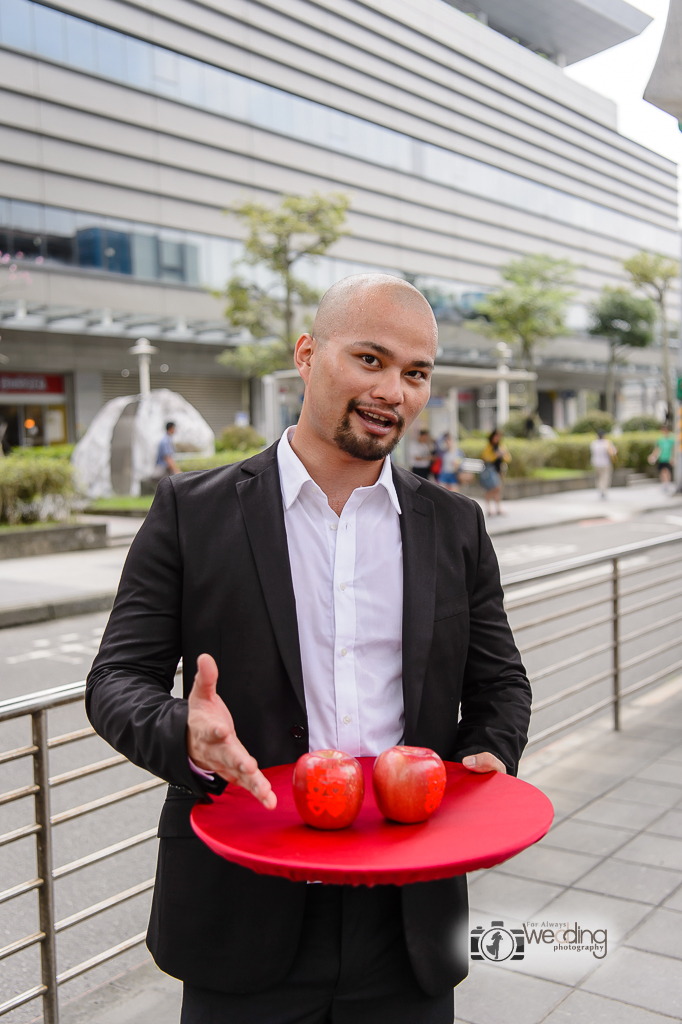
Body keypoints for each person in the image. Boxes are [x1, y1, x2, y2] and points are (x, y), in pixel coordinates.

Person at [86, 274, 531, 1024]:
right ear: (307, 353)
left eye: (415, 372)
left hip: (409, 920)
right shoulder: (190, 514)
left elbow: (500, 684)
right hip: (242, 913)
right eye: (369, 359)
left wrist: (487, 752)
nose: (393, 389)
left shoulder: (454, 525)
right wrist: (187, 737)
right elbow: (115, 680)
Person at [480, 429, 511, 516]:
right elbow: (485, 458)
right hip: (490, 472)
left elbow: (508, 458)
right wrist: (495, 455)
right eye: (496, 436)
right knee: (493, 488)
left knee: (498, 490)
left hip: (499, 471)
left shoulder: (501, 446)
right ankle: (489, 508)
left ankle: (498, 508)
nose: (497, 438)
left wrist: (503, 455)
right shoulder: (489, 447)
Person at [590, 429, 617, 500]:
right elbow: (612, 452)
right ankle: (603, 490)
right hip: (605, 463)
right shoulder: (607, 443)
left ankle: (600, 489)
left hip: (596, 463)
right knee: (605, 478)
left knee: (598, 478)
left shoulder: (594, 443)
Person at [648, 423, 675, 493]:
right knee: (662, 471)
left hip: (668, 457)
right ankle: (665, 484)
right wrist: (653, 456)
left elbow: (673, 448)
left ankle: (667, 484)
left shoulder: (672, 437)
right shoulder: (660, 438)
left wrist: (673, 457)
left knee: (666, 471)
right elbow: (657, 448)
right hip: (661, 457)